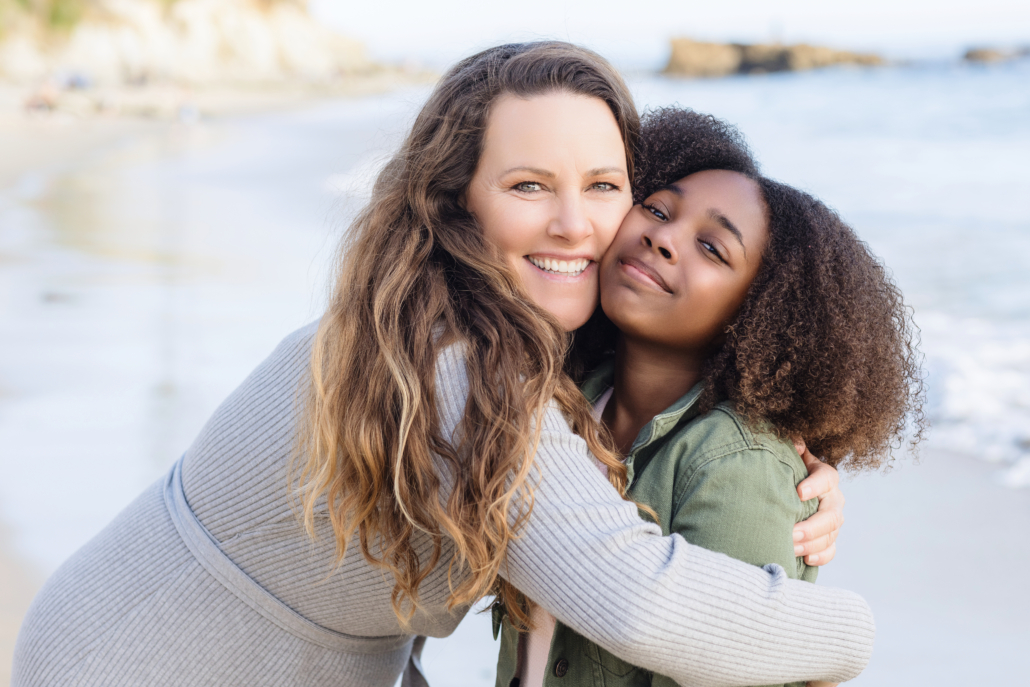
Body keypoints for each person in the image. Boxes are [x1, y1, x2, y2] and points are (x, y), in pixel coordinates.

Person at [13, 44, 869, 687]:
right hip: (146, 657)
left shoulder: (484, 332)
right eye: (530, 186)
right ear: (457, 199)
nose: (578, 225)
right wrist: (855, 628)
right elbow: (635, 598)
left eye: (607, 186)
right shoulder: (457, 364)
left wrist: (799, 464)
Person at [493, 108, 924, 687]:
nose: (663, 237)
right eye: (657, 208)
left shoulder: (736, 464)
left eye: (713, 248)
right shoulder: (558, 400)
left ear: (763, 314)